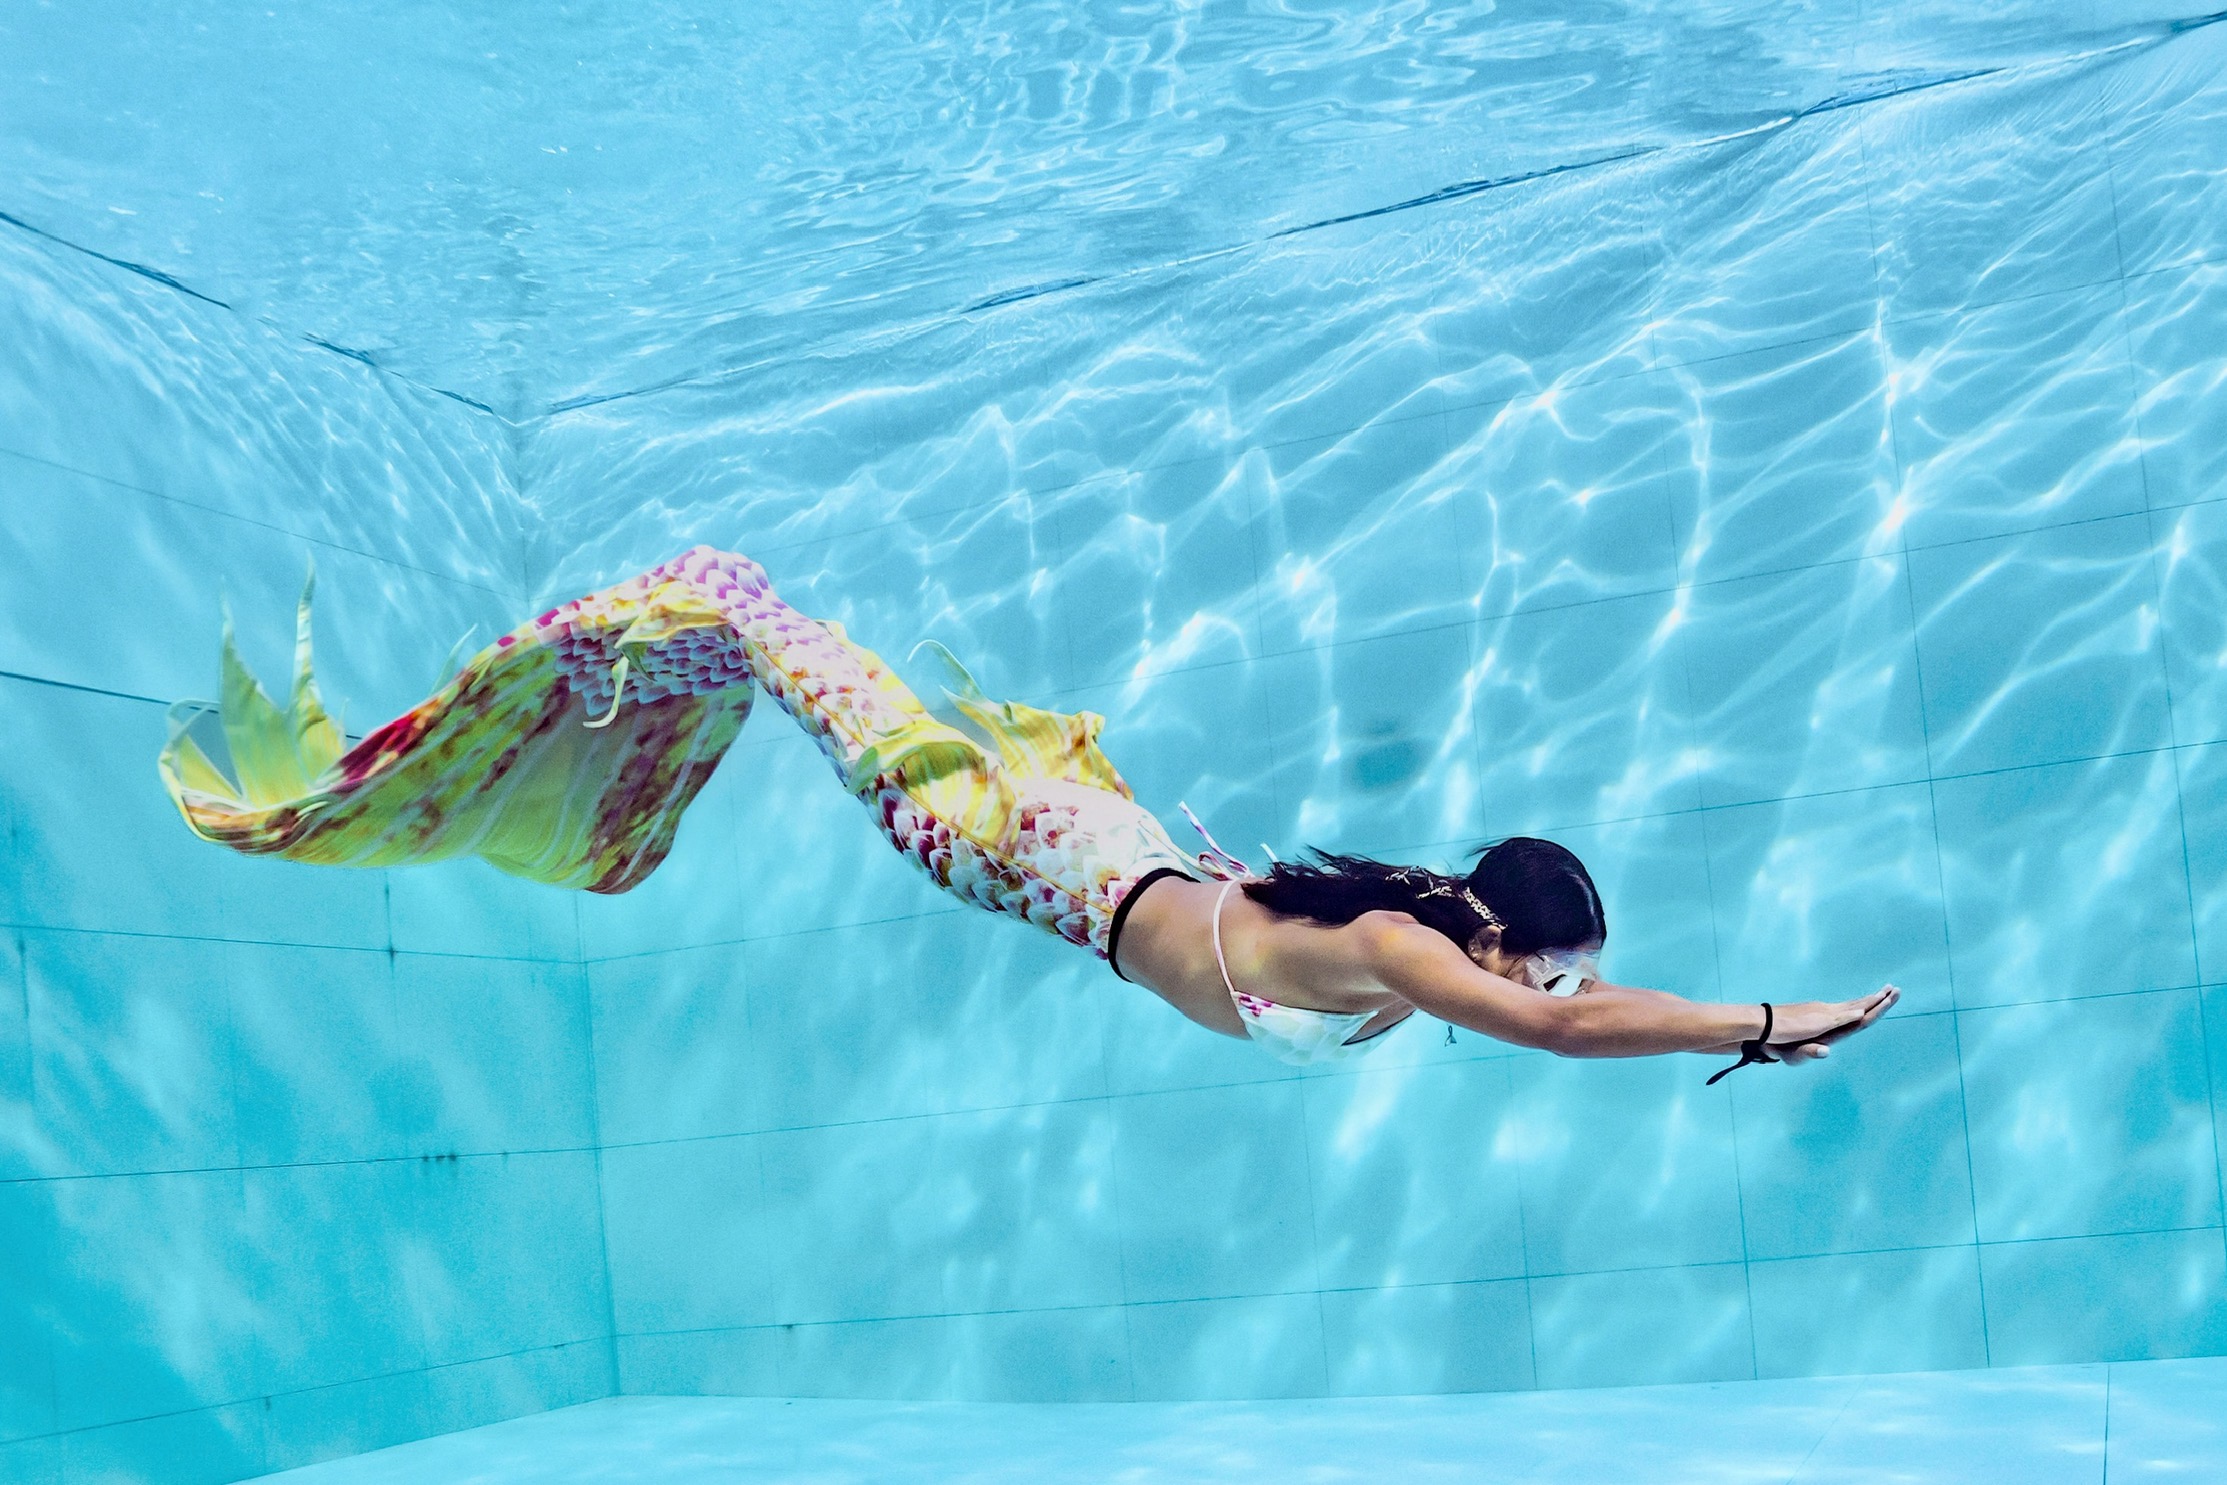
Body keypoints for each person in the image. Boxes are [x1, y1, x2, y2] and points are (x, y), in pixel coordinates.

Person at [159, 546, 1895, 1075]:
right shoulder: (1395, 944)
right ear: (1502, 930)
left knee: (784, 654)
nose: (1555, 981)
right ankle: (617, 656)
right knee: (751, 622)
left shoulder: (1419, 935)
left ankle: (645, 685)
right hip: (1008, 837)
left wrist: (1596, 993)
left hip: (1096, 836)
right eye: (1551, 958)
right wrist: (1759, 1019)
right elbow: (1572, 1032)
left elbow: (1556, 1002)